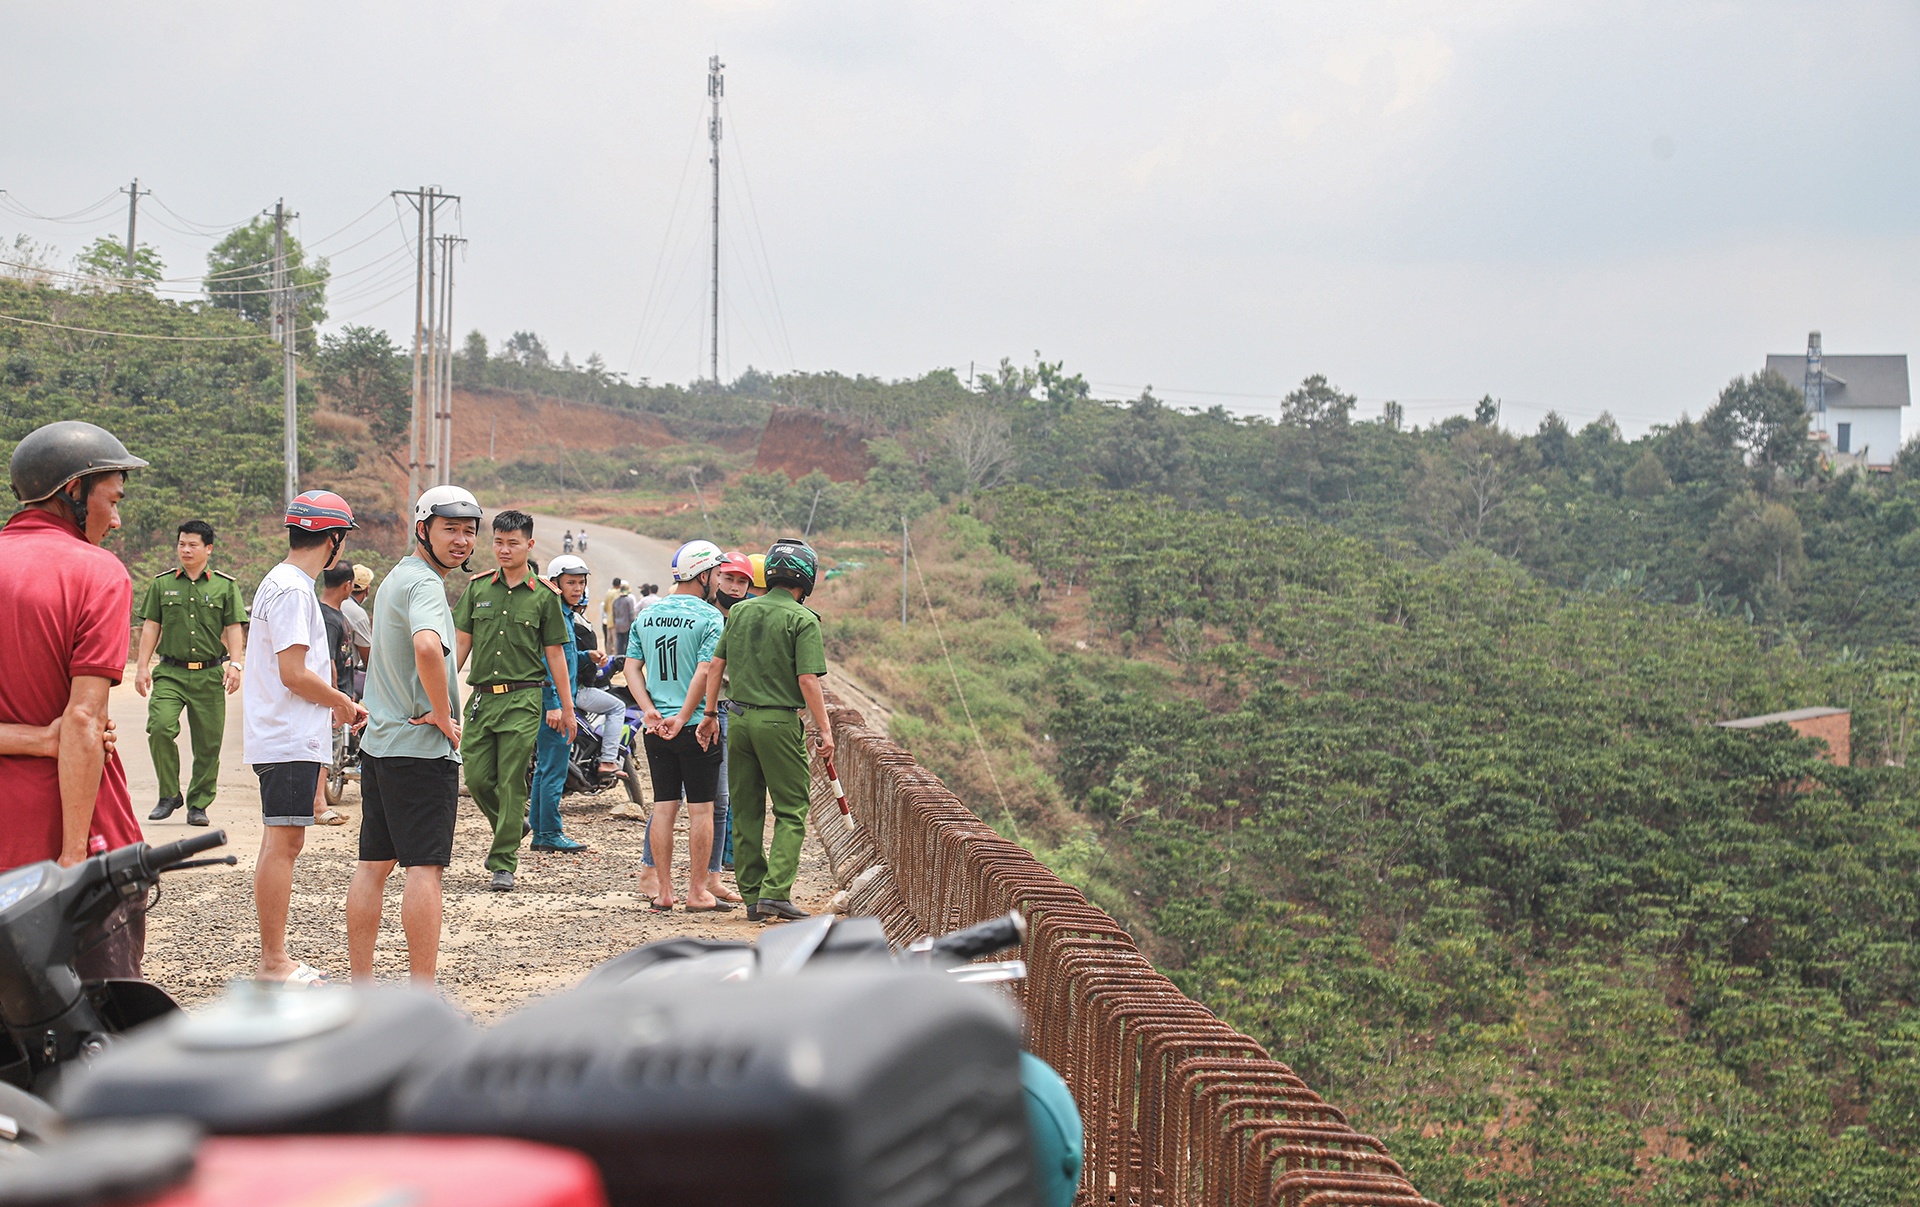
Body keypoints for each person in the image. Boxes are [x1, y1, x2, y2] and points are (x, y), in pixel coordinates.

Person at [0, 421, 147, 977]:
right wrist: (74, 856)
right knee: (96, 1032)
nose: (117, 518)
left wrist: (36, 739)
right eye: (112, 499)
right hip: (68, 839)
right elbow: (85, 720)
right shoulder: (96, 573)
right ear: (74, 491)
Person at [347, 485, 481, 985]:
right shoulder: (424, 584)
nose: (462, 541)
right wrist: (444, 715)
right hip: (420, 751)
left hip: (380, 747)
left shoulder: (394, 579)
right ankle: (421, 994)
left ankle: (361, 987)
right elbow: (428, 647)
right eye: (450, 529)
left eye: (469, 531)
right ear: (423, 529)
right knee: (424, 870)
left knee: (373, 866)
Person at [245, 492, 368, 986]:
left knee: (280, 841)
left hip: (281, 731)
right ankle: (274, 961)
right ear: (334, 540)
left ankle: (272, 957)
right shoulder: (296, 591)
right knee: (284, 843)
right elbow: (294, 673)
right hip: (287, 735)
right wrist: (340, 700)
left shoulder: (280, 582)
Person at [696, 537, 830, 923]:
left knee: (747, 808)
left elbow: (717, 665)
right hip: (778, 721)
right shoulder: (803, 620)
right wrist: (825, 730)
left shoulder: (739, 613)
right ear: (806, 579)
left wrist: (709, 712)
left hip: (736, 719)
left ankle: (753, 896)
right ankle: (776, 893)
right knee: (791, 809)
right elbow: (807, 680)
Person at [455, 510, 575, 892]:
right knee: (476, 777)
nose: (504, 550)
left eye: (513, 543)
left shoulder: (545, 596)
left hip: (524, 699)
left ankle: (503, 861)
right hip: (481, 700)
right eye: (499, 542)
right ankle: (514, 825)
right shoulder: (477, 589)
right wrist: (436, 694)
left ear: (529, 545)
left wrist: (567, 707)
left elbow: (555, 654)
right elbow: (460, 644)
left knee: (510, 780)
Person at [638, 549, 753, 904]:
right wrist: (696, 715)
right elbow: (706, 671)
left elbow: (632, 666)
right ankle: (663, 877)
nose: (730, 585)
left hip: (696, 716)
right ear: (707, 576)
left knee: (711, 801)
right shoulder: (710, 617)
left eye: (739, 581)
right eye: (725, 576)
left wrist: (649, 710)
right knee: (690, 804)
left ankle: (707, 879)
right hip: (702, 716)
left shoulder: (737, 616)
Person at [135, 520, 247, 828]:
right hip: (170, 672)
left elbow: (234, 627)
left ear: (208, 549)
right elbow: (151, 626)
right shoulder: (162, 584)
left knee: (208, 745)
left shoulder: (225, 585)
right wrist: (143, 666)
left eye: (192, 544)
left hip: (210, 675)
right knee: (159, 727)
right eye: (181, 544)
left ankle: (198, 804)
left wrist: (235, 665)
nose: (185, 550)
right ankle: (169, 794)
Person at [528, 553, 616, 854]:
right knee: (553, 769)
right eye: (571, 582)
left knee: (546, 768)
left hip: (554, 700)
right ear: (555, 584)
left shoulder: (565, 614)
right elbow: (546, 662)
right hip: (553, 703)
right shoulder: (554, 615)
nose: (577, 588)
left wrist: (585, 656)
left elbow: (564, 659)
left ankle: (540, 830)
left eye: (581, 582)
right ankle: (550, 832)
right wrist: (554, 704)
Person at [310, 564, 359, 827]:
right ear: (348, 585)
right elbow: (327, 661)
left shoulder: (336, 614)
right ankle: (318, 804)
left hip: (339, 694)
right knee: (325, 748)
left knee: (331, 748)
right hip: (333, 695)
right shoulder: (327, 618)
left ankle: (319, 802)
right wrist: (335, 699)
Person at [608, 577, 638, 660]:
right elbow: (631, 614)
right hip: (627, 625)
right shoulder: (629, 600)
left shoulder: (616, 601)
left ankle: (619, 659)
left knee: (619, 644)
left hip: (618, 625)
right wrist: (633, 625)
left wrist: (615, 623)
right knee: (627, 644)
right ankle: (627, 660)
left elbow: (614, 614)